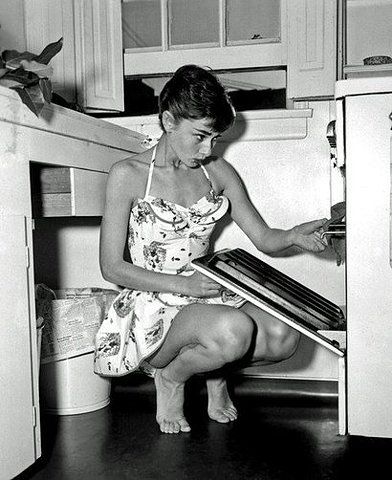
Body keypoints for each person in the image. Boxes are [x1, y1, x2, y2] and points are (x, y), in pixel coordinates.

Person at [94, 64, 328, 434]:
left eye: (215, 139)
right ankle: (171, 378)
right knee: (234, 332)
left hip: (208, 295)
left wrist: (294, 235)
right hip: (158, 300)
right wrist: (185, 286)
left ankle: (213, 368)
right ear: (169, 121)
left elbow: (265, 238)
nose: (207, 150)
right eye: (200, 136)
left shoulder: (217, 172)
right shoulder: (128, 174)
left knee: (286, 335)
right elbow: (111, 267)